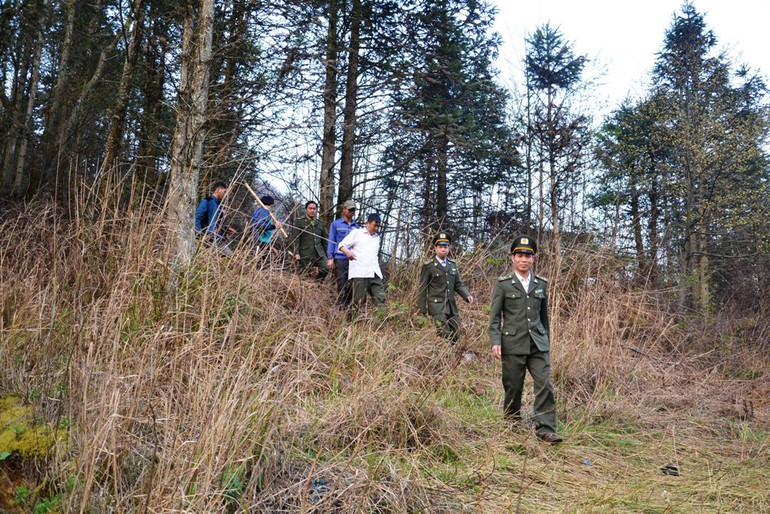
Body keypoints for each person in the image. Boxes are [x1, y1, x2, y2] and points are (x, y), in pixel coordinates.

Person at [488, 235, 562, 444]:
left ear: (533, 259)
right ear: (512, 258)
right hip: (512, 344)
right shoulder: (503, 284)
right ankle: (511, 424)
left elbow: (544, 318)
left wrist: (547, 343)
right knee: (513, 387)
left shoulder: (541, 284)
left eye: (528, 256)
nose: (524, 260)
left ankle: (546, 430)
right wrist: (495, 341)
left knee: (544, 384)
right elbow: (495, 317)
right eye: (519, 255)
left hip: (538, 344)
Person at [417, 233, 474, 343]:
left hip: (451, 306)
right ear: (435, 248)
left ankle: (454, 352)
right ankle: (444, 352)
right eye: (440, 247)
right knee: (444, 333)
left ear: (449, 248)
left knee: (457, 332)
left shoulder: (452, 264)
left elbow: (458, 284)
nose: (443, 249)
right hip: (437, 306)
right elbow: (422, 288)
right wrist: (422, 310)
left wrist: (466, 295)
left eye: (445, 247)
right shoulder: (428, 266)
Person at [338, 213, 386, 313]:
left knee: (381, 299)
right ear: (367, 223)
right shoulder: (357, 233)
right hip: (360, 273)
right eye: (374, 225)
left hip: (375, 273)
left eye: (378, 226)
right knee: (358, 302)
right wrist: (347, 252)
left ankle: (382, 320)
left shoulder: (377, 238)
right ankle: (352, 320)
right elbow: (341, 245)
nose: (376, 228)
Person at [327, 200, 360, 308]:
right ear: (344, 210)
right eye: (350, 209)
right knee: (341, 283)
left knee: (351, 284)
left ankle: (349, 307)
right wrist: (330, 258)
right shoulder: (336, 224)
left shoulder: (357, 228)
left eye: (353, 210)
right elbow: (331, 241)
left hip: (353, 260)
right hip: (340, 258)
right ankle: (341, 306)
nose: (352, 212)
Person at [194, 181, 235, 256]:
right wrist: (200, 235)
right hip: (208, 239)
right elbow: (197, 218)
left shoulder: (219, 205)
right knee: (230, 257)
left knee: (230, 257)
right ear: (218, 189)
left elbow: (217, 222)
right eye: (224, 192)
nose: (225, 194)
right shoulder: (207, 201)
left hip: (218, 239)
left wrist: (226, 229)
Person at [291, 201, 329, 280]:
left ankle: (318, 282)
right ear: (306, 210)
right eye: (310, 208)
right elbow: (296, 239)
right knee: (305, 274)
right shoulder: (299, 222)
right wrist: (296, 253)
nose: (312, 210)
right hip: (305, 253)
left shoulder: (320, 223)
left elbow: (324, 241)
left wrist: (328, 255)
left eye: (314, 209)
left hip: (319, 253)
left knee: (326, 267)